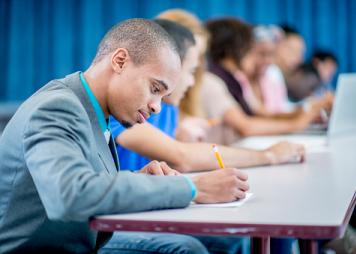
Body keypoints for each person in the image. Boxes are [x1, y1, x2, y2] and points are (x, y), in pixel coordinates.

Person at [0, 18, 249, 253]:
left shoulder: (91, 108)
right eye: (154, 89)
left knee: (223, 239)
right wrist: (191, 187)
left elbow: (82, 179)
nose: (157, 107)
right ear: (119, 61)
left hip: (81, 239)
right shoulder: (57, 107)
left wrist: (140, 179)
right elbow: (70, 194)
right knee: (186, 249)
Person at [109, 18, 305, 173]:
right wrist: (268, 156)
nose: (192, 82)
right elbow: (182, 156)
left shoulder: (166, 108)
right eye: (191, 71)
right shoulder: (123, 110)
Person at [203, 17, 330, 142]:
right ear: (232, 50)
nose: (249, 53)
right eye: (247, 47)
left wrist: (306, 112)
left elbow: (258, 113)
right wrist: (297, 123)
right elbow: (245, 126)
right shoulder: (215, 80)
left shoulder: (232, 79)